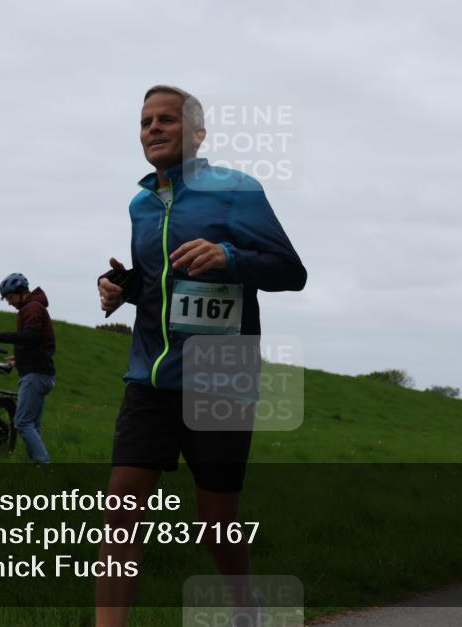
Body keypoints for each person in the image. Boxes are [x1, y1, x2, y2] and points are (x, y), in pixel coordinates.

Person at [95, 85, 307, 626]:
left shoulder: (237, 191)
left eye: (166, 120)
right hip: (149, 375)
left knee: (215, 523)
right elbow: (159, 282)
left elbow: (290, 271)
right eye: (145, 122)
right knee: (120, 509)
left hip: (221, 378)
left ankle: (244, 605)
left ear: (197, 133)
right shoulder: (141, 204)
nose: (153, 129)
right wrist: (124, 288)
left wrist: (228, 255)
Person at [0, 273, 57, 463]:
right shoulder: (33, 307)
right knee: (33, 425)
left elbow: (30, 336)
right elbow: (40, 342)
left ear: (21, 292)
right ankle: (36, 467)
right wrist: (19, 358)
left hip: (35, 375)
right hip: (40, 371)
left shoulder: (32, 308)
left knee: (22, 422)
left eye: (10, 297)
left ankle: (44, 464)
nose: (9, 302)